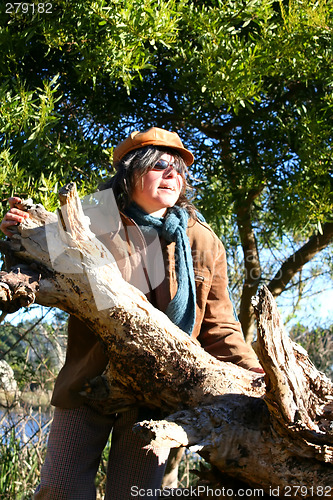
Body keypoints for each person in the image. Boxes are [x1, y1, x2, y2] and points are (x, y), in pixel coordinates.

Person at [0, 127, 263, 499]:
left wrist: (255, 374)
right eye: (160, 166)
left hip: (157, 394)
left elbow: (220, 326)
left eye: (179, 169)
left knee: (134, 494)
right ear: (131, 172)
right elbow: (34, 267)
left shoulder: (201, 239)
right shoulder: (89, 217)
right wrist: (19, 232)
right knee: (59, 489)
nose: (173, 175)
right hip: (89, 383)